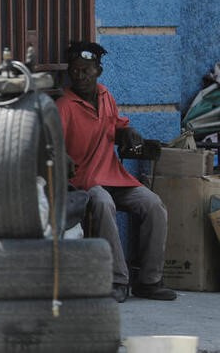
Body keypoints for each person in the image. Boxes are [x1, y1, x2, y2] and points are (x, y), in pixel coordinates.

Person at [56, 41, 176, 303]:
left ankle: (149, 280)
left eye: (86, 70)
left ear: (98, 71)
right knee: (103, 204)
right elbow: (51, 142)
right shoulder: (65, 105)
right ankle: (117, 279)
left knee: (154, 205)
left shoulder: (105, 96)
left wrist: (128, 132)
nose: (80, 75)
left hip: (113, 175)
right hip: (83, 181)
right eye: (75, 70)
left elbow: (118, 125)